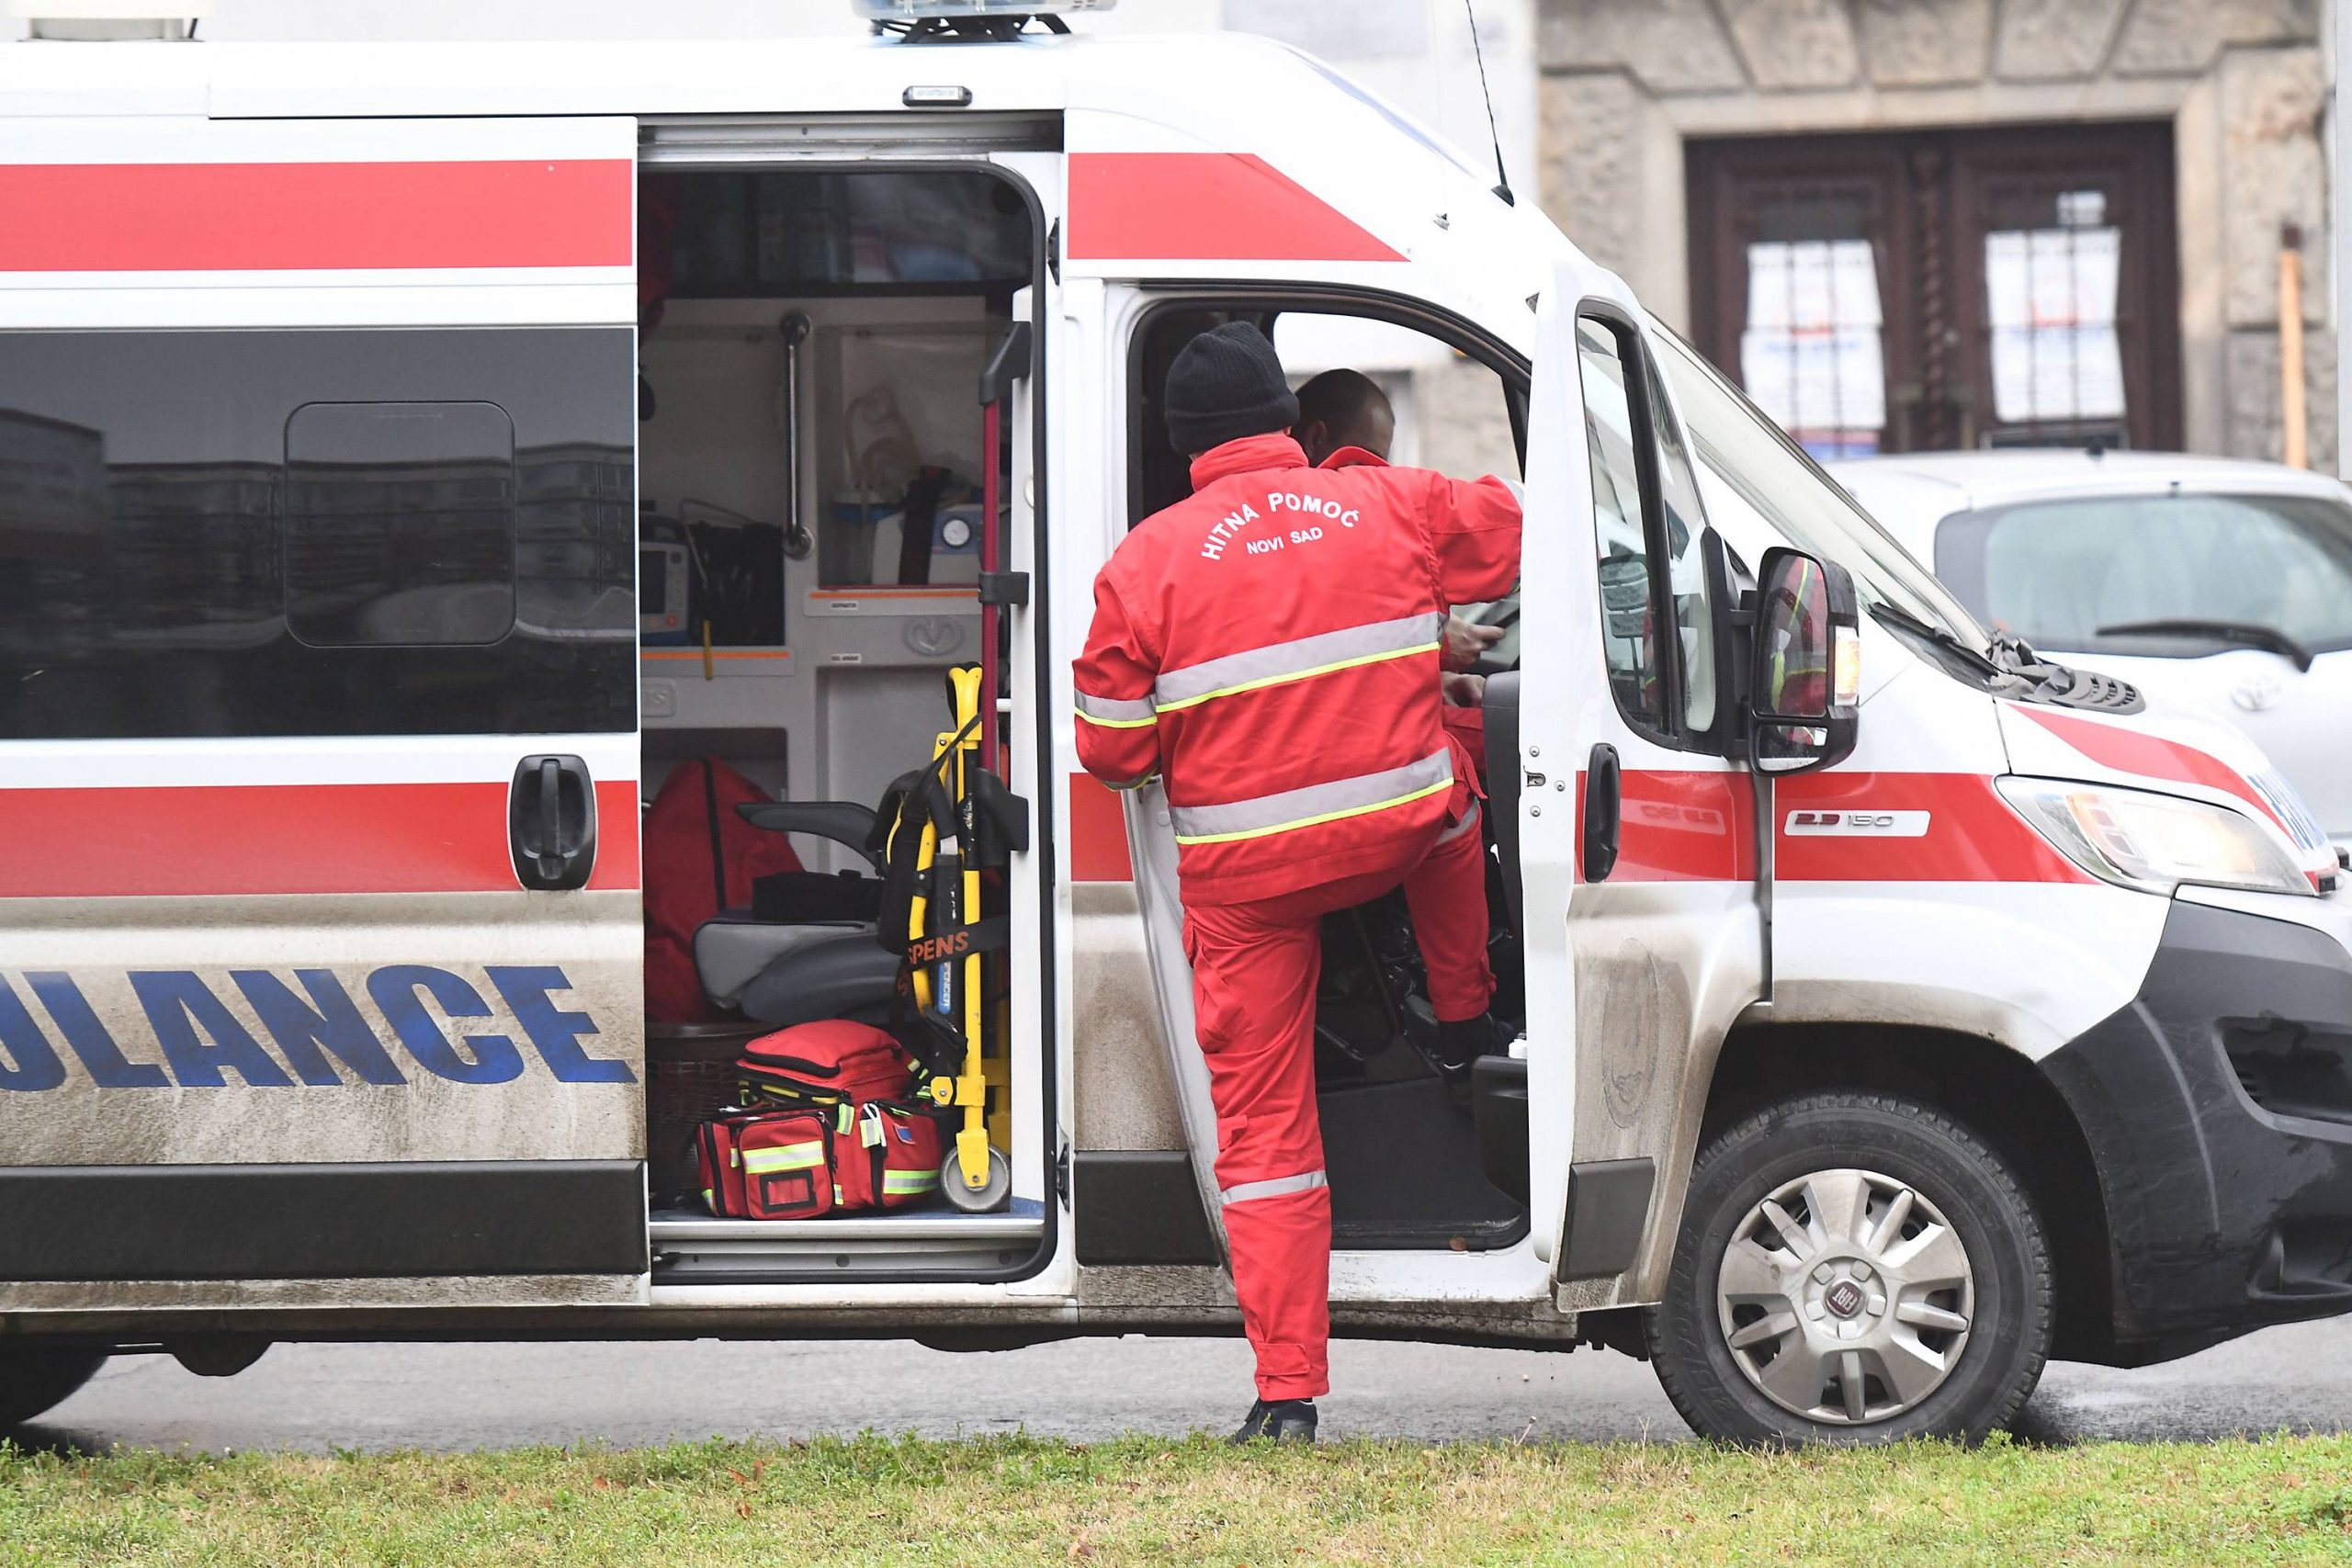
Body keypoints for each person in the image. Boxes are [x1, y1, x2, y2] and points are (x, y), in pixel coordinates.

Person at [1072, 323, 1521, 1444]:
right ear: (1287, 423)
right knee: (1458, 788)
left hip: (1250, 885)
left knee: (1264, 1130)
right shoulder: (1391, 504)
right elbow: (1515, 534)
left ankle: (1286, 1393)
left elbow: (1111, 750)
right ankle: (1464, 1020)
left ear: (1182, 448)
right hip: (1394, 836)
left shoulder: (1143, 561)